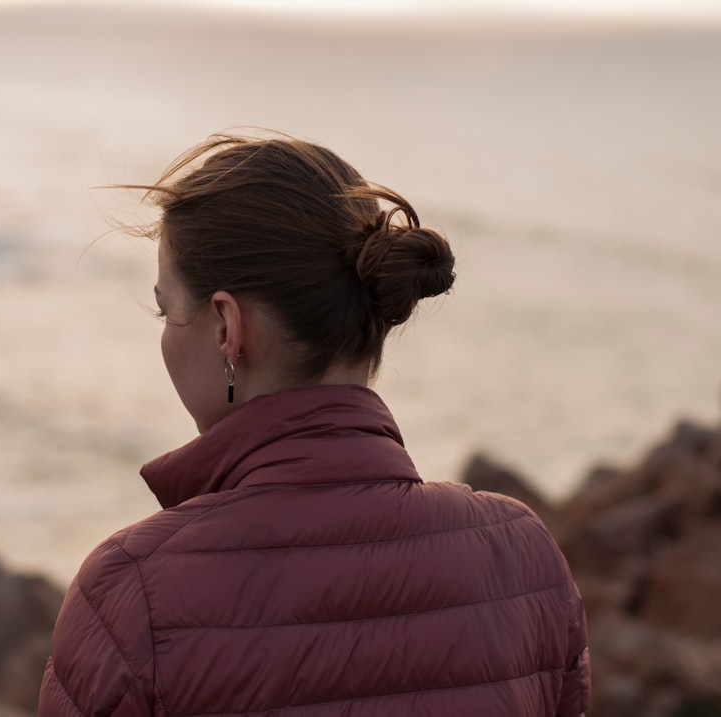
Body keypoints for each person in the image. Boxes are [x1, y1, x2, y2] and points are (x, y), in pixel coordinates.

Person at [38, 133, 589, 716]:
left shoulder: (130, 595)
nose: (165, 335)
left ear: (227, 328)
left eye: (166, 309)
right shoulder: (524, 560)